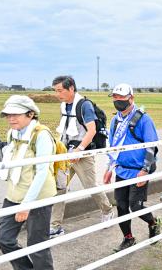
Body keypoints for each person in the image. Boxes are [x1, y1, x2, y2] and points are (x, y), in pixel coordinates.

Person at [0, 96, 56, 270]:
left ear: (30, 114)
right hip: (14, 194)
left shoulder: (41, 134)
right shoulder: (12, 133)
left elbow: (42, 172)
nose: (10, 118)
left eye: (16, 114)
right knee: (3, 239)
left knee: (37, 246)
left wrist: (26, 205)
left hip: (38, 197)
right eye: (7, 115)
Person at [50, 75, 113, 237]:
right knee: (59, 188)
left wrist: (80, 149)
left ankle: (107, 210)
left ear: (71, 88)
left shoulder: (84, 105)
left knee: (90, 186)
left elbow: (91, 130)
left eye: (60, 90)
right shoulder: (64, 106)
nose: (58, 94)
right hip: (64, 153)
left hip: (82, 154)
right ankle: (56, 225)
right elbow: (64, 129)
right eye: (55, 91)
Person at [104, 84, 160, 252]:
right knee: (121, 205)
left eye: (122, 98)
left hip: (139, 170)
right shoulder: (115, 120)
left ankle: (153, 223)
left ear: (131, 98)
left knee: (135, 205)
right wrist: (109, 169)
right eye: (115, 98)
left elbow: (152, 146)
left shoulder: (143, 119)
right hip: (121, 169)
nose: (118, 101)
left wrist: (145, 170)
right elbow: (113, 146)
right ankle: (128, 238)